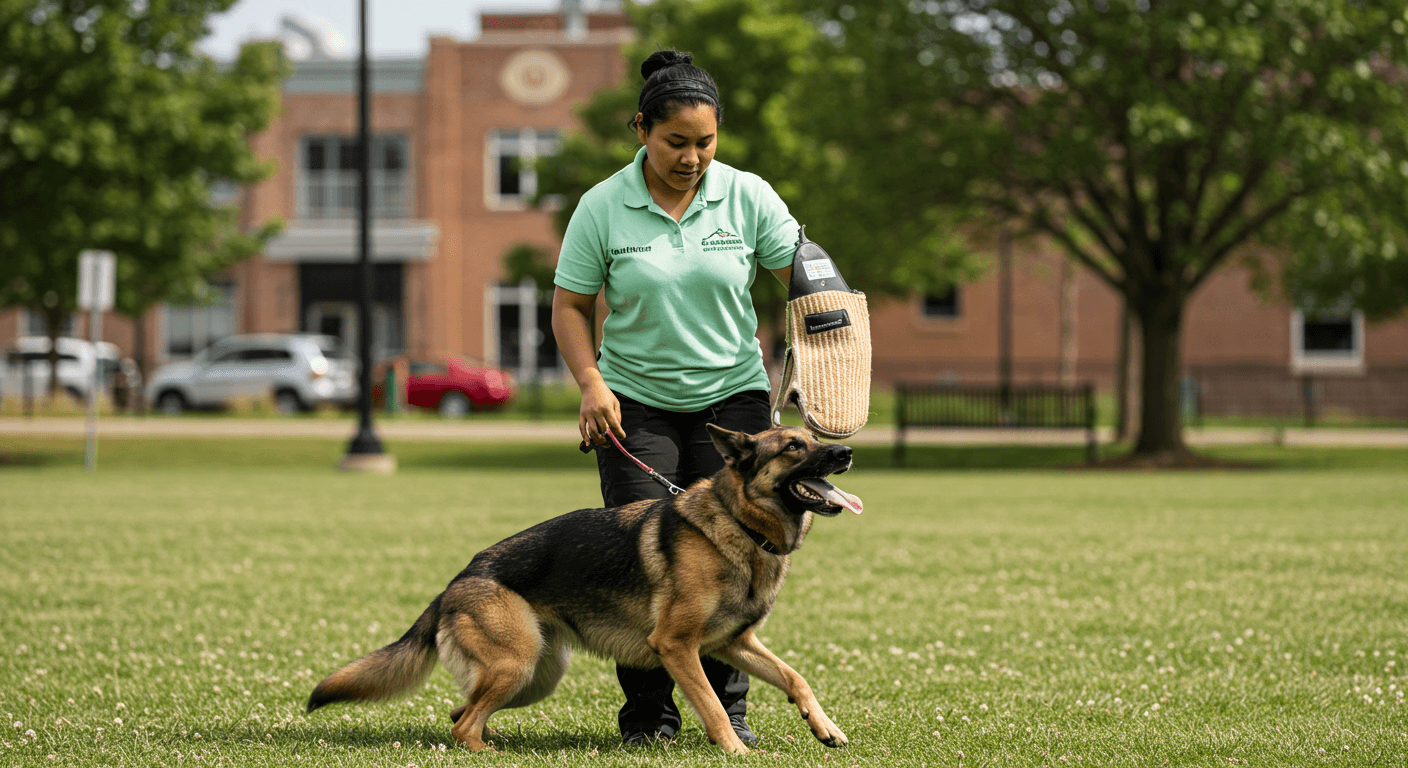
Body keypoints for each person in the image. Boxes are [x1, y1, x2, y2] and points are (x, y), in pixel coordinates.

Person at [550, 49, 798, 746]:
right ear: (641, 130)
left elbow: (805, 279)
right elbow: (569, 305)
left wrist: (831, 324)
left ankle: (732, 712)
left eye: (706, 142)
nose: (693, 157)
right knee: (644, 557)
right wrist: (591, 383)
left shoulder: (747, 196)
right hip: (636, 405)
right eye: (676, 142)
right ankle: (649, 721)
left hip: (735, 402)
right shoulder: (603, 206)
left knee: (738, 556)